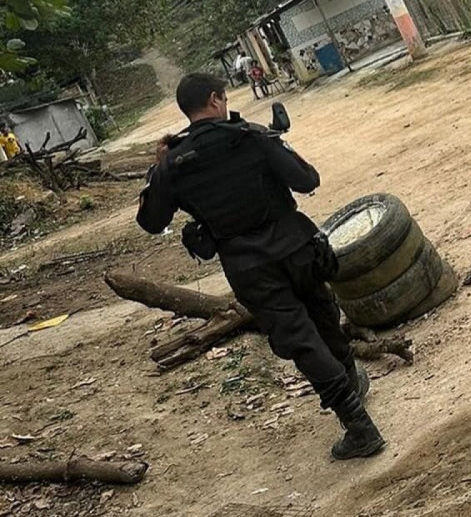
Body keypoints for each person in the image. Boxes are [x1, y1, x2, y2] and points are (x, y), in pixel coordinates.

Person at [136, 74, 385, 460]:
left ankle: (357, 420)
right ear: (216, 99)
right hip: (298, 249)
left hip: (248, 266)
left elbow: (151, 222)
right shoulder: (251, 136)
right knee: (322, 316)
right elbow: (307, 180)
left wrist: (159, 168)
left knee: (301, 339)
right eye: (224, 98)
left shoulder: (173, 163)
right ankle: (355, 404)